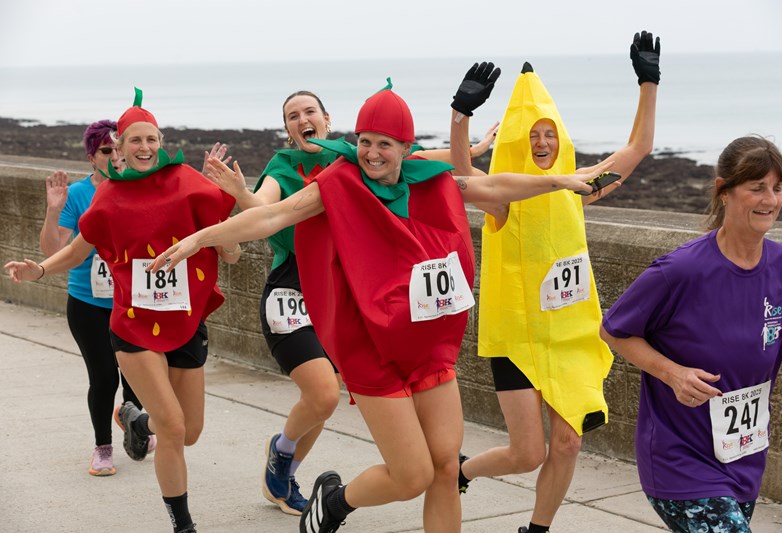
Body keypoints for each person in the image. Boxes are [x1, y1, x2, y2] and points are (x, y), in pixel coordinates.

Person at [147, 67, 610, 532]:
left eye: (384, 144)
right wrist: (199, 238)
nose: (372, 153)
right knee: (412, 476)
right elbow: (272, 217)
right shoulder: (338, 183)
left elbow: (493, 186)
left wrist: (560, 181)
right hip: (370, 348)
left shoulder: (430, 179)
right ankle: (335, 501)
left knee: (445, 467)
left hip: (426, 346)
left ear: (405, 148)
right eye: (365, 141)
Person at [205, 90, 500, 516]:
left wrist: (469, 139)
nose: (302, 119)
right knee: (324, 394)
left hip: (347, 300)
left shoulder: (359, 159)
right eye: (292, 116)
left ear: (327, 119)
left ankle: (288, 462)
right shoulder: (281, 167)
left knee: (339, 403)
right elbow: (266, 212)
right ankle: (283, 455)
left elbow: (422, 160)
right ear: (286, 128)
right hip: (293, 292)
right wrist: (239, 194)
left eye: (309, 111)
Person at [5, 88, 240, 533]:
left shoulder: (190, 182)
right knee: (173, 429)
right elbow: (79, 249)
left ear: (161, 142)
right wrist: (39, 268)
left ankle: (137, 419)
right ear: (121, 147)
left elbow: (231, 248)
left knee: (190, 431)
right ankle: (183, 525)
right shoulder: (109, 197)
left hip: (186, 320)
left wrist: (227, 239)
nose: (144, 147)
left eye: (151, 139)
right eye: (135, 140)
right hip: (133, 325)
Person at [455, 31, 659, 533]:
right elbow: (463, 176)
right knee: (526, 454)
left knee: (568, 442)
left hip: (569, 337)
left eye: (549, 133)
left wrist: (648, 81)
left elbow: (638, 148)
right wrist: (461, 115)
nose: (542, 143)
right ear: (516, 143)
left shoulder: (576, 187)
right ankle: (459, 472)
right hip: (518, 341)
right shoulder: (502, 201)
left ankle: (537, 529)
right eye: (531, 135)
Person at [599, 135, 782, 532]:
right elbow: (613, 330)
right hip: (679, 460)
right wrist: (673, 373)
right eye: (757, 187)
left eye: (777, 188)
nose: (770, 200)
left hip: (743, 458)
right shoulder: (681, 270)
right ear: (724, 191)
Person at [38, 120, 155, 476]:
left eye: (118, 148)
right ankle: (103, 447)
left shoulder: (141, 187)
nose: (114, 156)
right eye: (106, 150)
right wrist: (54, 210)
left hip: (133, 301)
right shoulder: (77, 195)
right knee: (104, 376)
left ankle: (133, 423)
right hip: (88, 303)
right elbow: (53, 252)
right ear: (92, 157)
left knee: (137, 377)